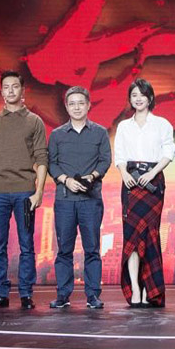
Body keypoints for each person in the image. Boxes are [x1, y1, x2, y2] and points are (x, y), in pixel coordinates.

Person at [0, 71, 48, 309]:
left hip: (25, 192)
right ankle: (1, 293)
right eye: (6, 87)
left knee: (26, 245)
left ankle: (26, 294)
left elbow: (41, 158)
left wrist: (39, 191)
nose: (10, 91)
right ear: (1, 92)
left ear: (22, 90)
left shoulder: (34, 121)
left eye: (15, 86)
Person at [47, 86, 111, 309]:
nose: (76, 107)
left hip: (90, 200)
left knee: (92, 249)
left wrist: (91, 176)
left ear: (88, 105)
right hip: (65, 200)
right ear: (66, 107)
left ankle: (93, 295)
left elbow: (105, 160)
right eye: (72, 103)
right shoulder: (57, 135)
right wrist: (66, 180)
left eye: (81, 103)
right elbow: (51, 163)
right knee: (64, 249)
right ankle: (63, 295)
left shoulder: (100, 133)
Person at [113, 78, 175, 308]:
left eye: (142, 94)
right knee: (132, 237)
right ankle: (135, 289)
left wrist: (152, 173)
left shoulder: (162, 124)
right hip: (130, 183)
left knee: (149, 236)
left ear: (150, 98)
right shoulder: (124, 126)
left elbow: (169, 151)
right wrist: (124, 174)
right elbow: (119, 154)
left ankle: (152, 289)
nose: (138, 99)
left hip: (153, 183)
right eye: (134, 95)